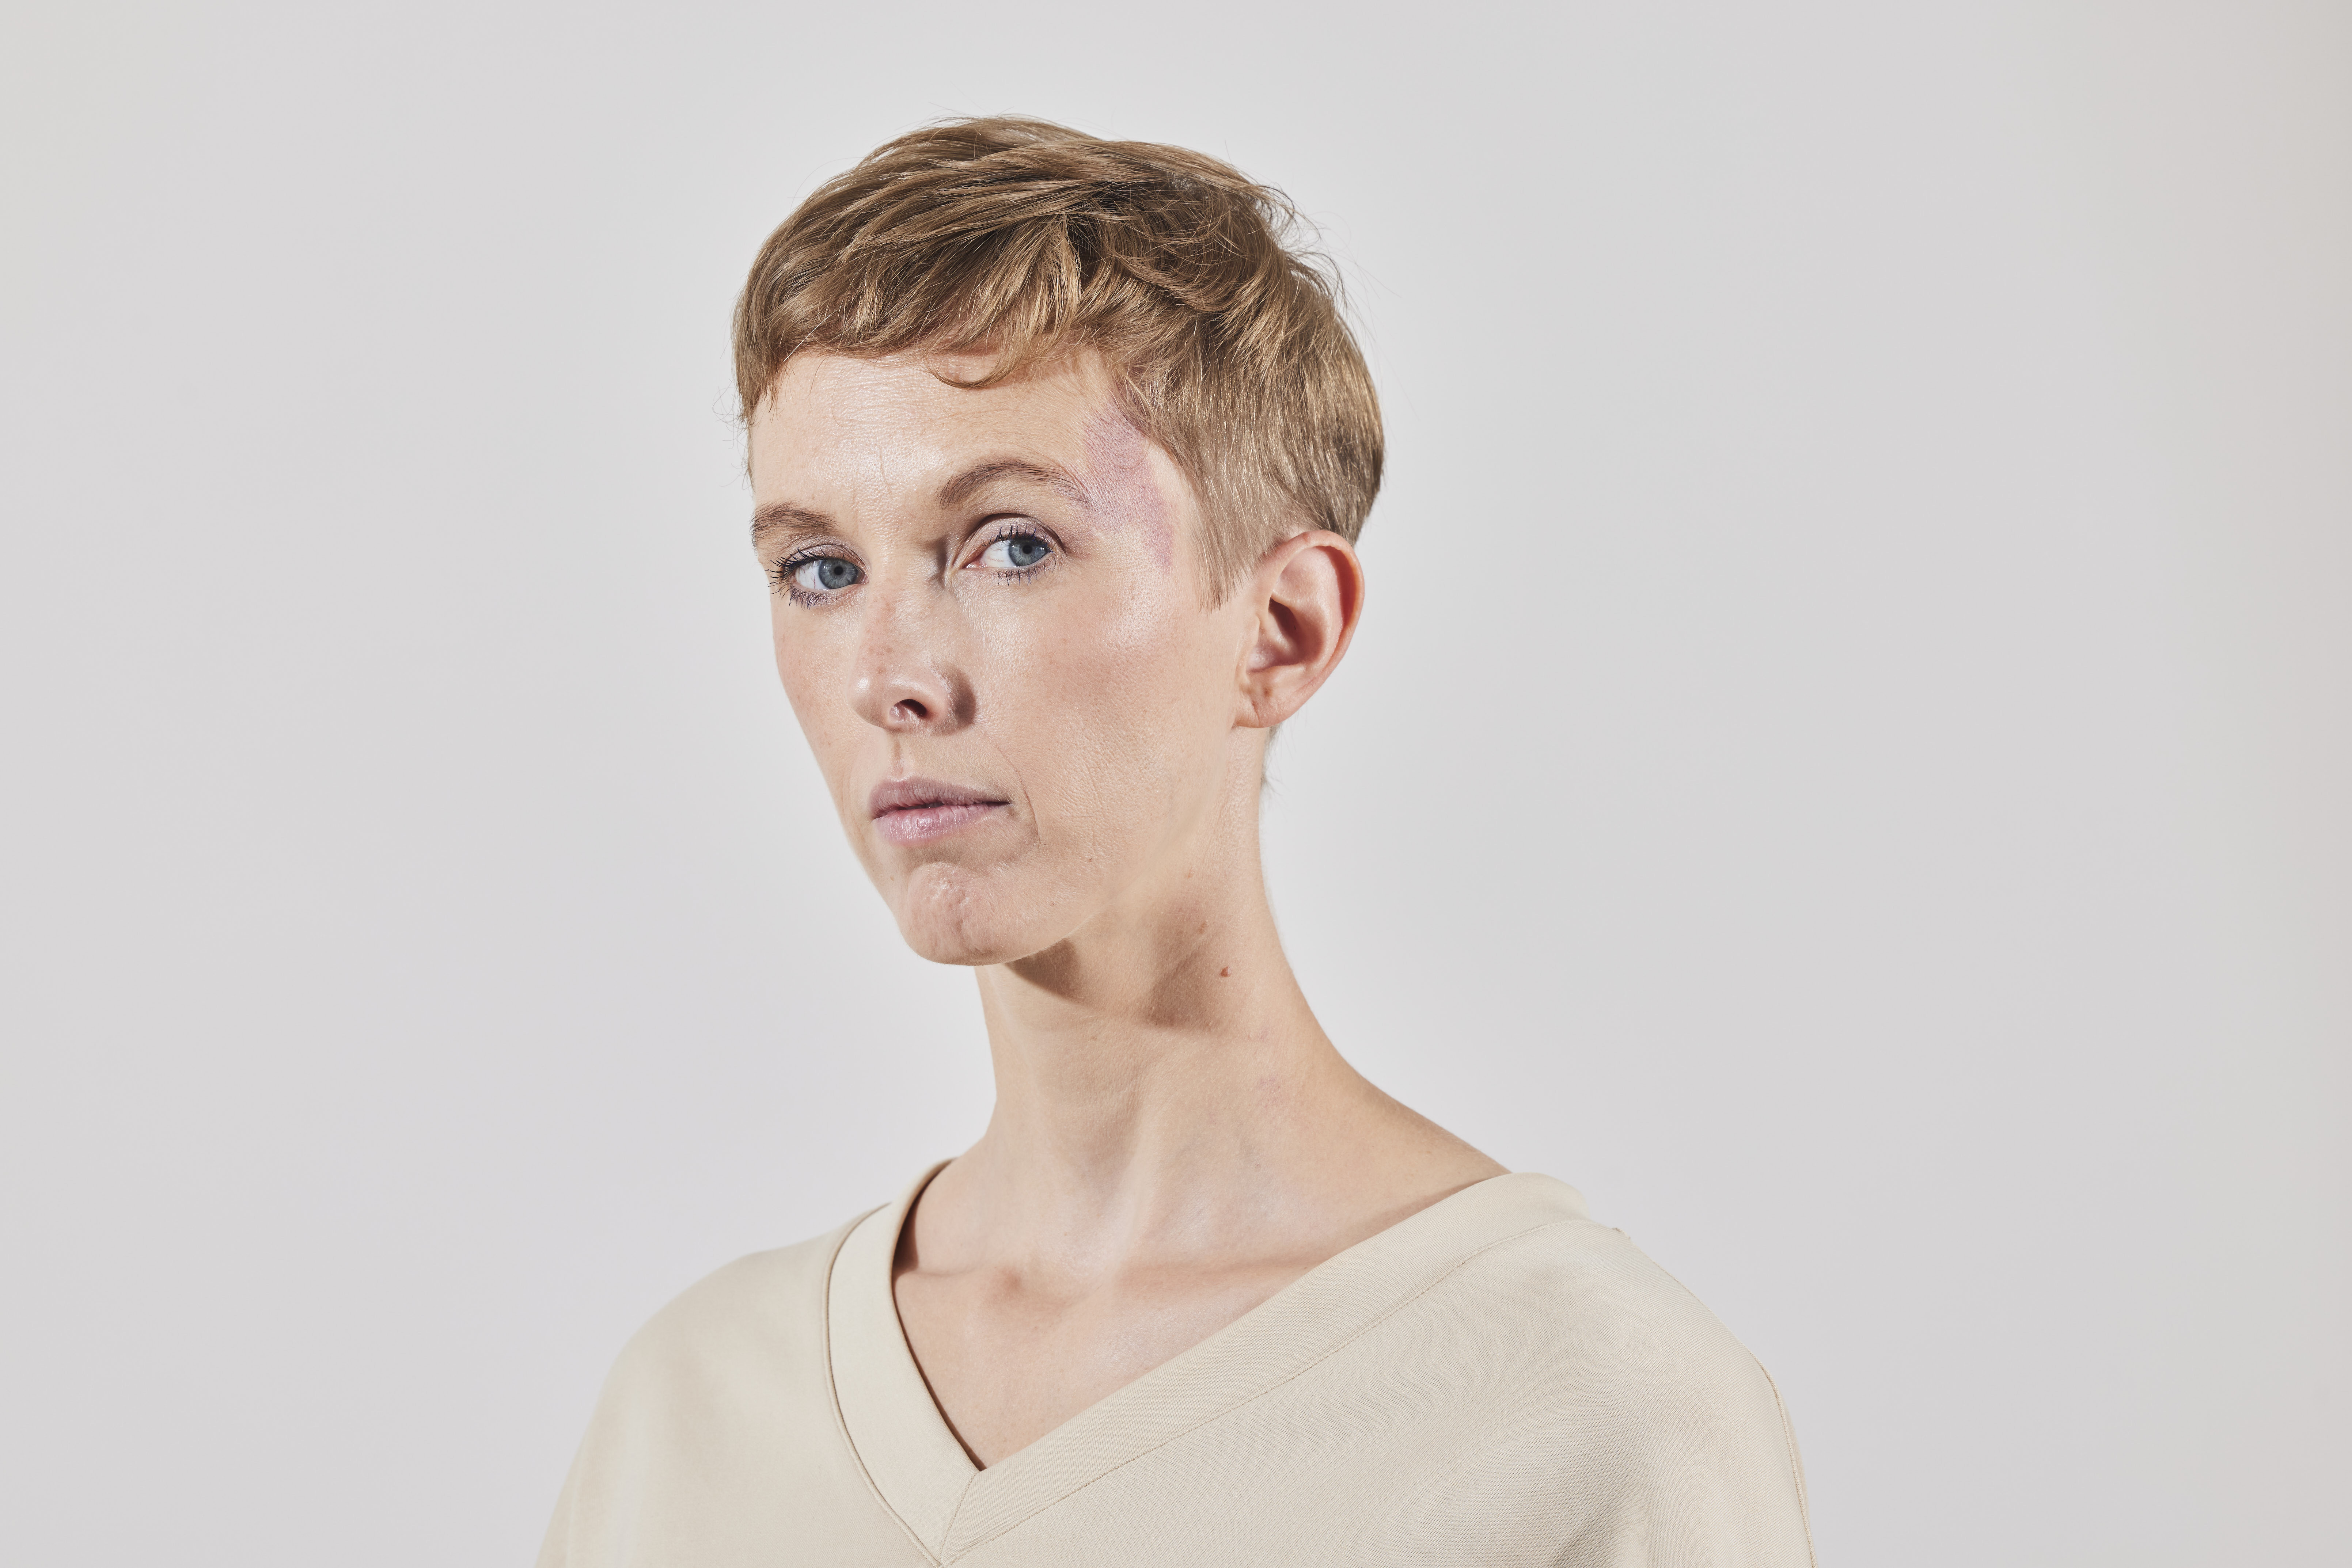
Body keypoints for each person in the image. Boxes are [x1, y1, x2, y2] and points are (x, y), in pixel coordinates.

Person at [536, 116, 1815, 1567]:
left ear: (1283, 630)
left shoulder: (1583, 1406)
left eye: (1008, 543)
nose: (888, 674)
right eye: (819, 568)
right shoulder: (696, 1412)